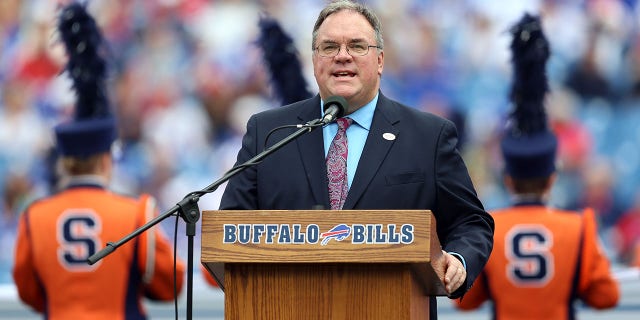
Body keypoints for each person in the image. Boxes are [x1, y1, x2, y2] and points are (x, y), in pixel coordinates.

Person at [218, 0, 494, 316]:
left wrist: (458, 259)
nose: (342, 55)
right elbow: (231, 227)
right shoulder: (268, 132)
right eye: (329, 46)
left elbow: (470, 221)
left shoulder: (428, 136)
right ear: (314, 60)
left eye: (357, 46)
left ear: (379, 60)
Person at [12, 3, 185, 319]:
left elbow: (29, 291)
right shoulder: (136, 213)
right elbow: (170, 284)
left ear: (63, 162)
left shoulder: (34, 217)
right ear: (107, 159)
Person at [453, 13, 619, 319]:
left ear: (509, 180)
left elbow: (465, 301)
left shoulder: (489, 231)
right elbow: (606, 296)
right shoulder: (579, 227)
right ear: (553, 178)